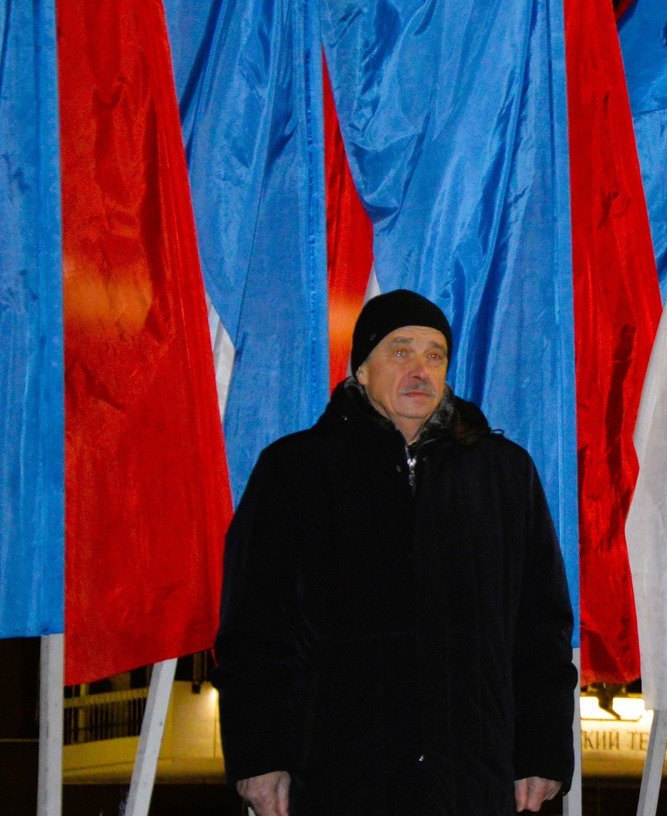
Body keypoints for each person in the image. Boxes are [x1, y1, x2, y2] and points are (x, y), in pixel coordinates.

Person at [214, 289, 576, 816]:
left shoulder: (504, 473)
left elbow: (541, 627)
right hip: (337, 778)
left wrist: (542, 750)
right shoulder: (294, 471)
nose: (420, 370)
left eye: (435, 355)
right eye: (400, 351)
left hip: (475, 780)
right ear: (361, 369)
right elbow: (253, 629)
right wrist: (259, 756)